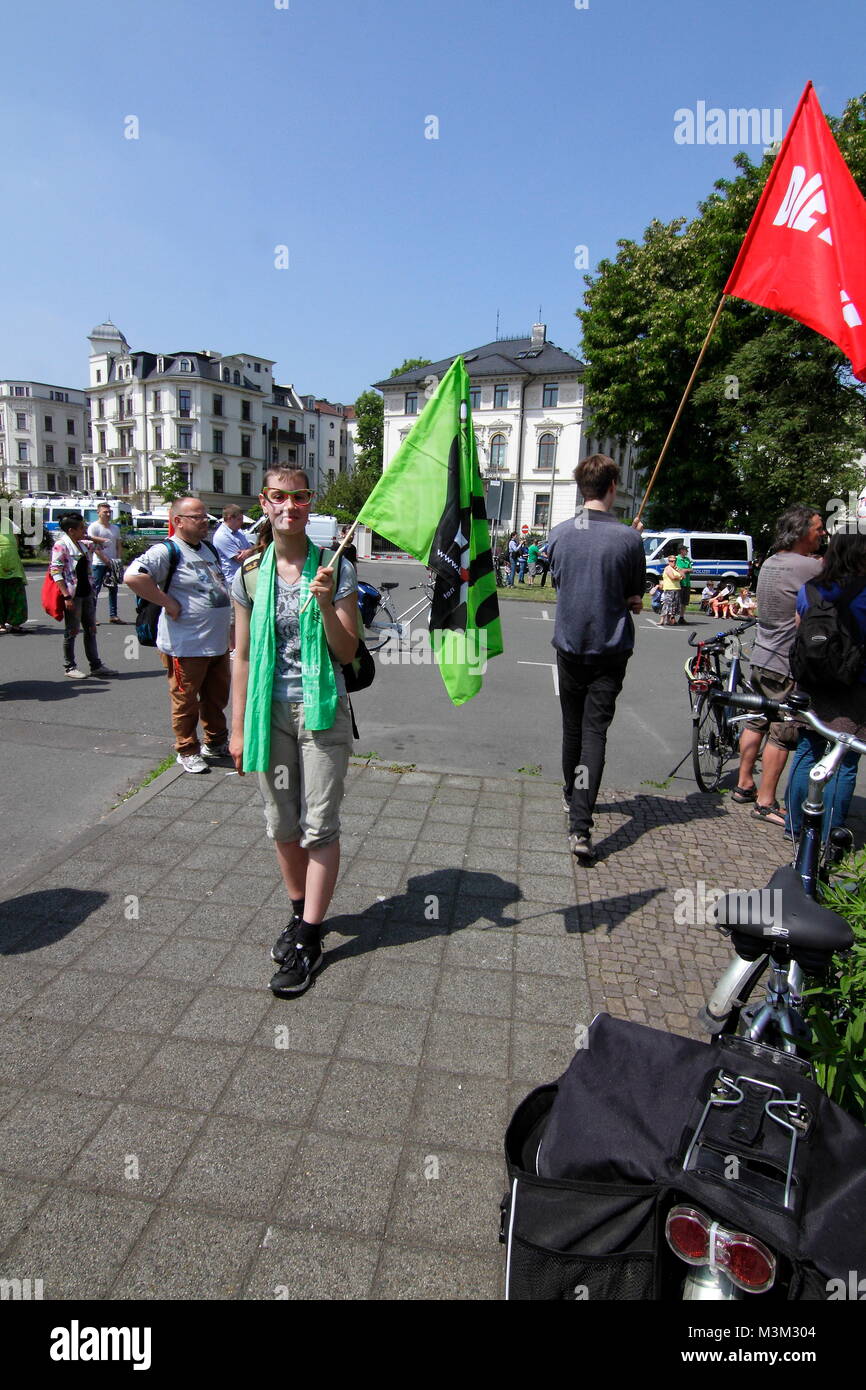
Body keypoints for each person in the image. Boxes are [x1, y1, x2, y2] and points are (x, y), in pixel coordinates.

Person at [229, 468, 359, 998]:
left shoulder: (336, 567)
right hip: (268, 713)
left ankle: (309, 936)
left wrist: (326, 601)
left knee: (319, 826)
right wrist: (236, 728)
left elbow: (347, 651)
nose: (290, 506)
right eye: (279, 497)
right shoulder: (249, 574)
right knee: (282, 822)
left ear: (310, 504)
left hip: (321, 711)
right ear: (264, 503)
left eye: (299, 497)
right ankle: (297, 911)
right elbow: (239, 655)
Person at [546, 454, 645, 863]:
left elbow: (560, 582)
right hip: (609, 648)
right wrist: (629, 540)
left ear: (581, 487)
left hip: (570, 645)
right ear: (612, 487)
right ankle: (580, 827)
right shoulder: (628, 539)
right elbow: (634, 600)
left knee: (573, 728)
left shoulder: (560, 533)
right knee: (594, 734)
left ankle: (573, 799)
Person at [124, 496, 232, 772]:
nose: (204, 521)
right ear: (178, 521)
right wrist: (167, 601)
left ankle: (215, 742)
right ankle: (187, 749)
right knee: (185, 701)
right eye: (197, 516)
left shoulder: (208, 549)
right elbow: (134, 576)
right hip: (185, 645)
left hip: (216, 644)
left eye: (206, 516)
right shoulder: (167, 550)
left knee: (216, 699)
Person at [734, 504, 825, 825]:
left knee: (756, 720)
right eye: (818, 527)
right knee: (782, 732)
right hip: (786, 660)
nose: (823, 532)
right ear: (802, 532)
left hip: (761, 654)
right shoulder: (809, 567)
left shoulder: (772, 561)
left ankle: (744, 783)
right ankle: (766, 801)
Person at [785, 531, 866, 840]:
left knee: (807, 748)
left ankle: (795, 825)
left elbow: (799, 628)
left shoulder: (812, 589)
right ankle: (829, 832)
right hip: (854, 683)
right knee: (844, 757)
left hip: (813, 679)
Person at [50, 512, 117, 679]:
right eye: (81, 527)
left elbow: (105, 544)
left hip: (87, 592)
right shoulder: (61, 545)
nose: (85, 529)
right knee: (72, 631)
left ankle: (96, 665)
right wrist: (66, 596)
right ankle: (70, 666)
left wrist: (88, 537)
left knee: (91, 630)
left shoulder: (83, 544)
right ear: (71, 530)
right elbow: (56, 572)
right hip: (73, 594)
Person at [88, 502, 123, 623]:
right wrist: (106, 560)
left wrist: (118, 560)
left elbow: (118, 545)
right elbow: (94, 546)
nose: (108, 514)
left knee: (113, 588)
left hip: (113, 563)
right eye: (105, 512)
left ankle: (113, 615)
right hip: (99, 563)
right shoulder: (94, 527)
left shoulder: (115, 528)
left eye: (109, 512)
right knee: (95, 589)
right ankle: (92, 616)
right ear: (98, 513)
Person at [211, 505, 257, 585]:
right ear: (229, 518)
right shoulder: (222, 536)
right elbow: (241, 558)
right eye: (239, 519)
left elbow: (251, 550)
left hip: (244, 576)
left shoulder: (239, 532)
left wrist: (250, 551)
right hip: (232, 581)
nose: (242, 522)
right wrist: (251, 551)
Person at [0, 513, 28, 632]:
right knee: (13, 593)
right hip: (10, 559)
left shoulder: (7, 521)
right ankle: (7, 624)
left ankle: (8, 624)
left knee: (13, 593)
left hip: (10, 560)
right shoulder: (6, 521)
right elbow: (16, 541)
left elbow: (16, 540)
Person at [659, 554, 682, 625]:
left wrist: (679, 571)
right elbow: (672, 577)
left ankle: (668, 620)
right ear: (668, 561)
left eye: (674, 561)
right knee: (667, 604)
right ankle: (662, 620)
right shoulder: (667, 568)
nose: (673, 562)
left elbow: (683, 576)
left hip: (676, 588)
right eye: (671, 561)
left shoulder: (676, 568)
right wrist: (679, 577)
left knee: (673, 606)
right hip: (669, 589)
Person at [674, 544, 692, 622]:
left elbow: (691, 569)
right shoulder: (676, 559)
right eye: (685, 550)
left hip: (687, 583)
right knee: (677, 601)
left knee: (684, 602)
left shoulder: (687, 559)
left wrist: (684, 570)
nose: (687, 551)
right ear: (681, 550)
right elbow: (675, 568)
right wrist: (683, 570)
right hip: (679, 583)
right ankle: (673, 617)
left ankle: (681, 617)